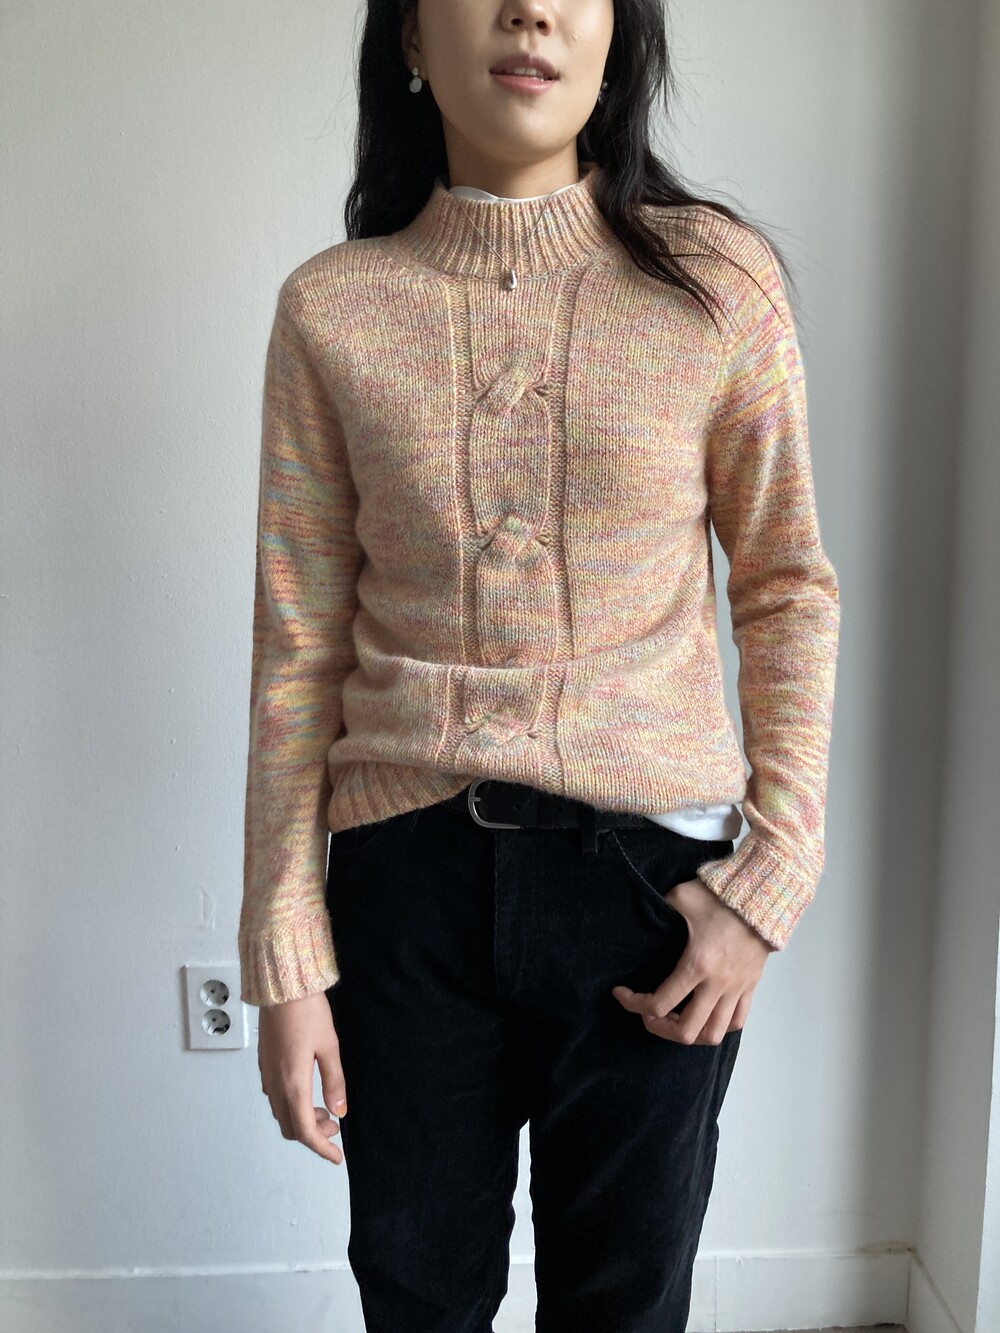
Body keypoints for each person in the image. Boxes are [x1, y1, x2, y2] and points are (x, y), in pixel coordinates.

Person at [238, 0, 841, 1326]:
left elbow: (787, 584)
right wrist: (284, 954)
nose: (531, 11)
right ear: (410, 37)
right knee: (418, 1299)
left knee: (626, 1305)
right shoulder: (332, 310)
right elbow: (299, 648)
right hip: (405, 889)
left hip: (653, 894)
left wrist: (768, 884)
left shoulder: (715, 284)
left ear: (618, 34)